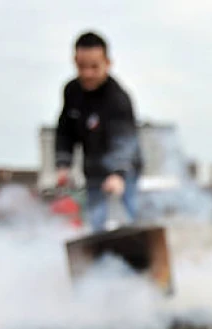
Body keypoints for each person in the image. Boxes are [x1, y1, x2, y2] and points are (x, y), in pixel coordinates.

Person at [55, 31, 142, 232]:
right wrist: (63, 163)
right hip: (93, 170)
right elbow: (65, 130)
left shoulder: (118, 98)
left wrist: (118, 174)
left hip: (125, 170)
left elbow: (125, 141)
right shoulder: (71, 91)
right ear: (74, 61)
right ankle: (100, 263)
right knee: (97, 223)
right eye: (82, 66)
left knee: (128, 223)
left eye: (94, 67)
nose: (87, 73)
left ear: (108, 63)